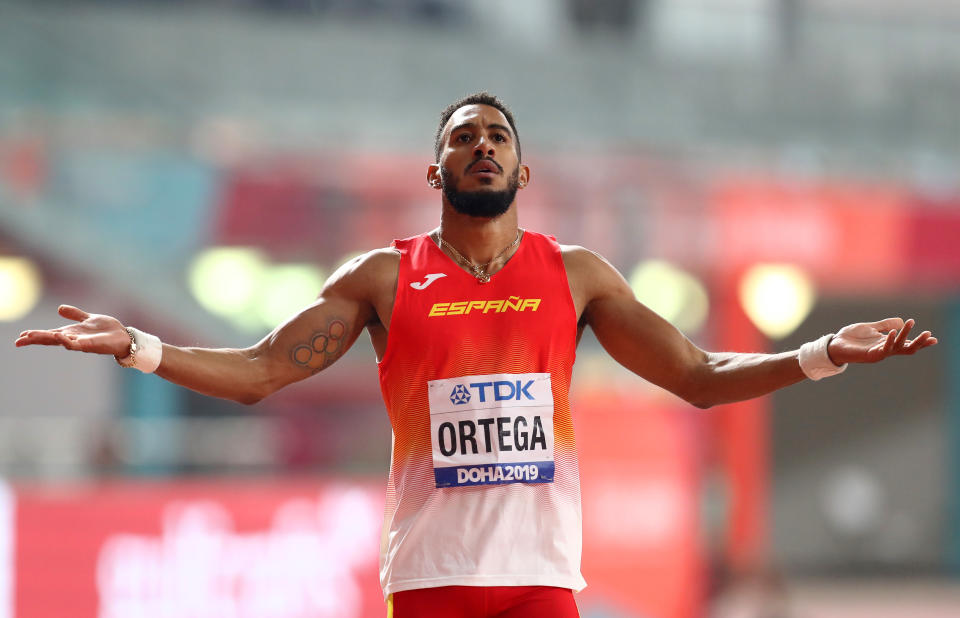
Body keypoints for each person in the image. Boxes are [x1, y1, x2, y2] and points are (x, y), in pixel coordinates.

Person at [14, 92, 937, 617]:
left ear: (522, 171)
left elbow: (697, 376)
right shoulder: (385, 276)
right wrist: (136, 346)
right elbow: (261, 372)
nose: (482, 146)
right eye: (463, 137)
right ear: (437, 172)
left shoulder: (575, 277)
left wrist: (819, 353)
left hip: (539, 587)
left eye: (498, 137)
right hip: (430, 587)